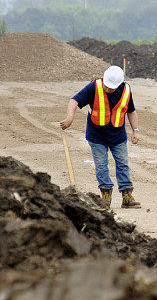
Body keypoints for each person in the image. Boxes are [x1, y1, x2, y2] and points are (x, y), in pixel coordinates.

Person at [59, 65, 141, 208]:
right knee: (101, 166)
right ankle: (106, 196)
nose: (108, 89)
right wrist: (70, 117)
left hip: (118, 136)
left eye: (111, 88)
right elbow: (74, 101)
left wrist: (135, 130)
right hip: (97, 136)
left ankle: (127, 196)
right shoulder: (94, 87)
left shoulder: (126, 90)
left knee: (123, 164)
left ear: (119, 84)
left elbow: (131, 111)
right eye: (106, 86)